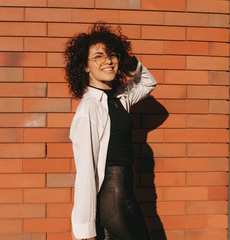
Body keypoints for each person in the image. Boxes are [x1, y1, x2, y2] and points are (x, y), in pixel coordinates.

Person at [64, 22, 156, 240]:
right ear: (85, 67)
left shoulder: (119, 98)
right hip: (112, 199)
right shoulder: (89, 108)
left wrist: (129, 62)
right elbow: (86, 169)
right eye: (97, 56)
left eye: (111, 54)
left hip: (125, 193)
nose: (106, 60)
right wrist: (84, 228)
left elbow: (148, 83)